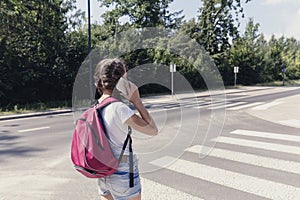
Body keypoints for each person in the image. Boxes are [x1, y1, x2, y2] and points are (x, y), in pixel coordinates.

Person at [93, 58, 158, 200]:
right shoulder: (120, 109)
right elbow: (153, 130)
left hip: (102, 170)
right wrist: (136, 101)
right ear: (121, 82)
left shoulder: (96, 106)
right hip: (122, 172)